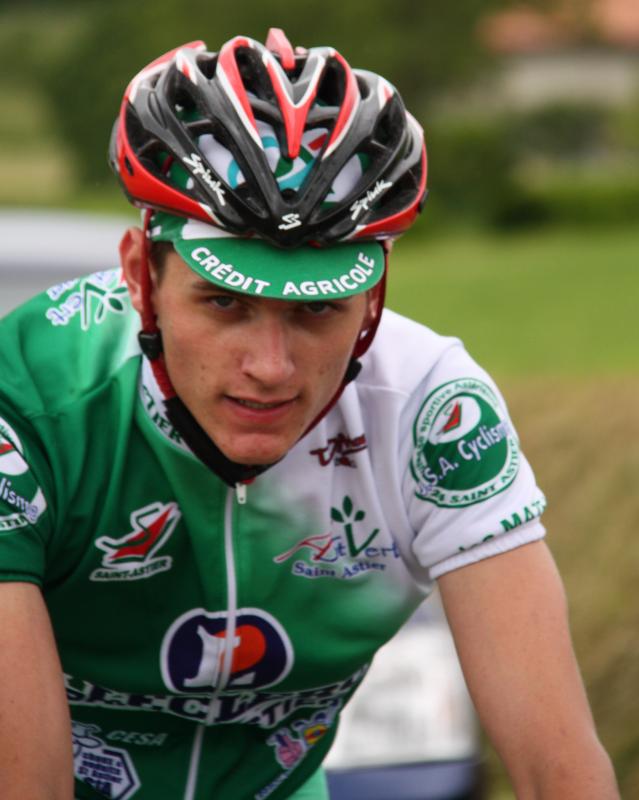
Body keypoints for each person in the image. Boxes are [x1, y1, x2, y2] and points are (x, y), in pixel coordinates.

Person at [0, 28, 618, 800]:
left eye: (317, 309)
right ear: (139, 276)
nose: (271, 367)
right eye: (224, 302)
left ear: (372, 299)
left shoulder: (429, 414)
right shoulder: (28, 400)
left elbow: (560, 771)